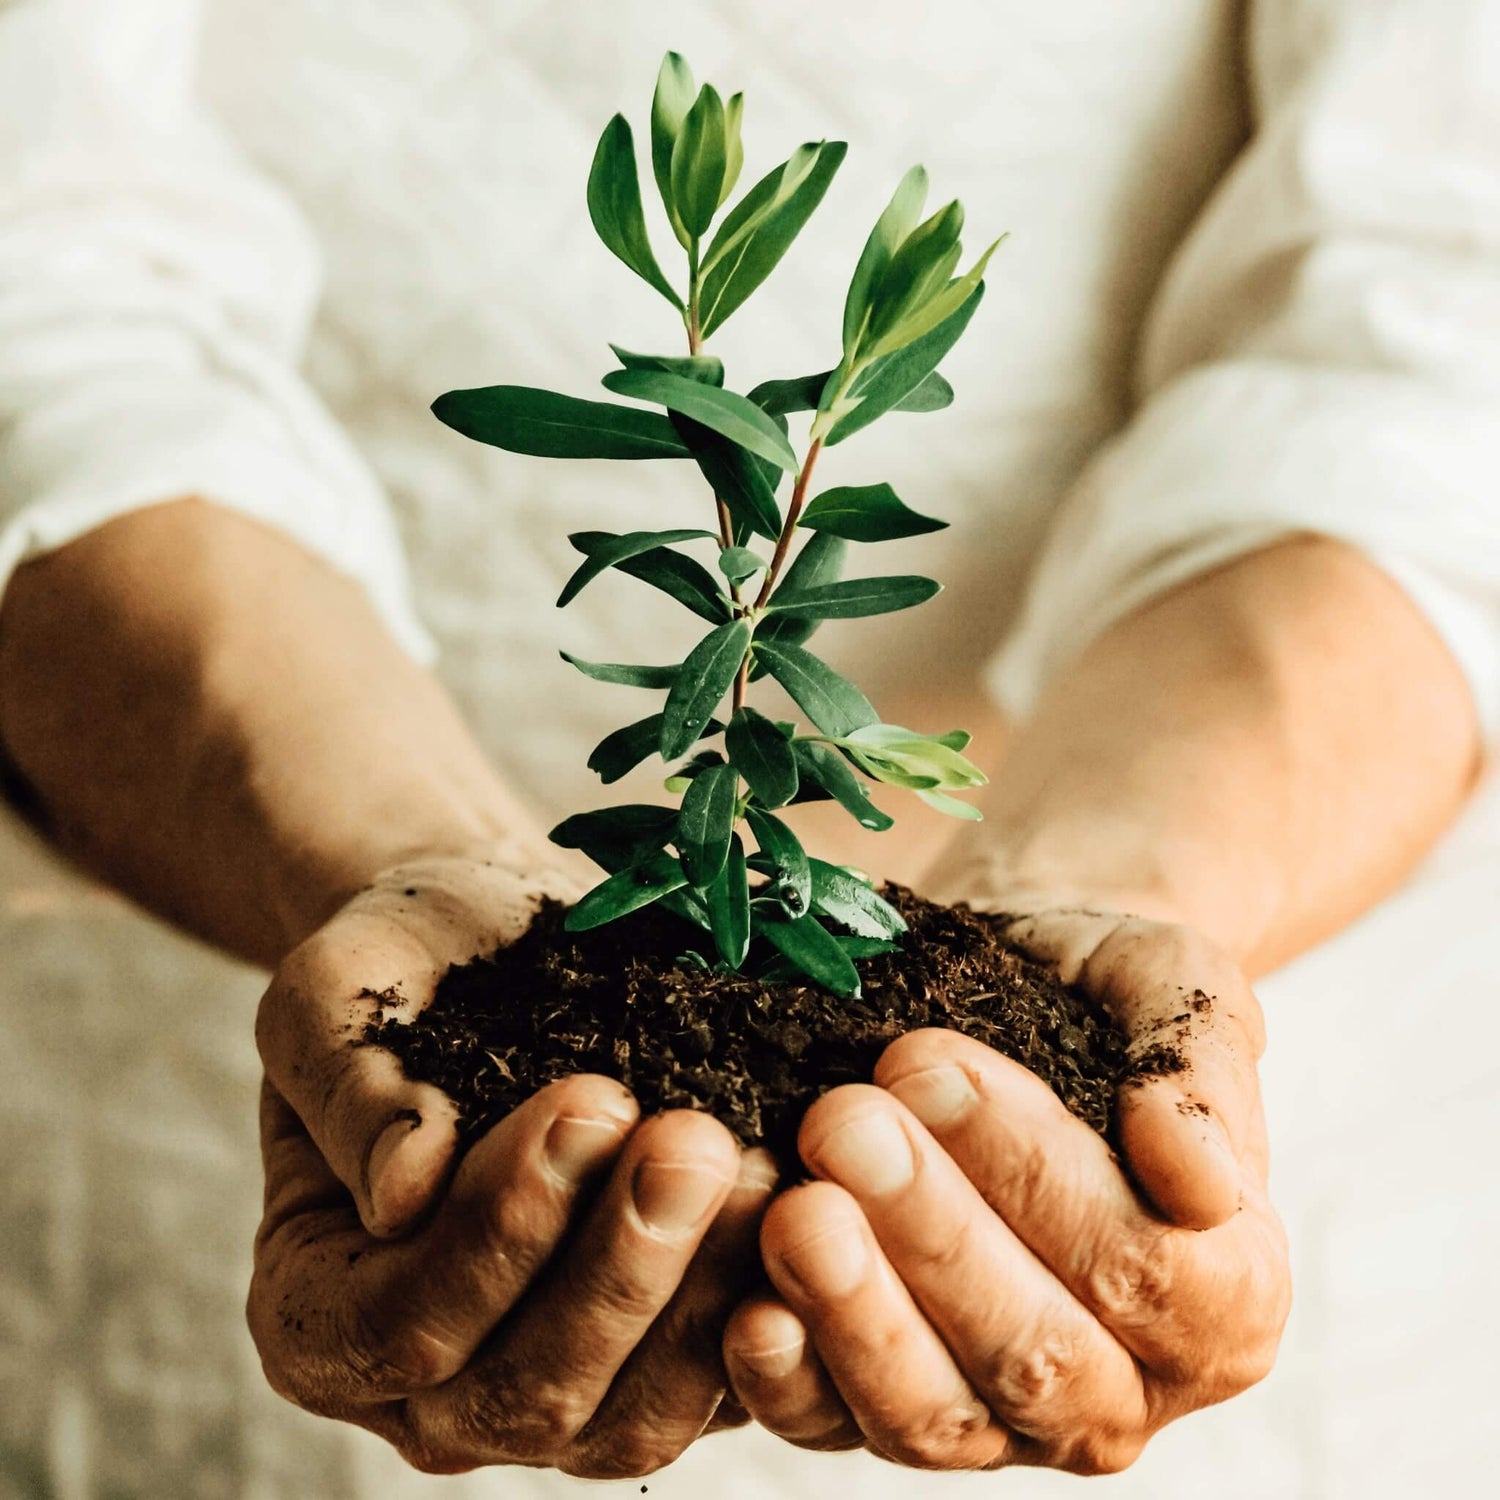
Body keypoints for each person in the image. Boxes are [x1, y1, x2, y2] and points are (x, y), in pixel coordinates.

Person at [0, 0, 1495, 1494]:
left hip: (1285, 956)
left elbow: (1440, 337)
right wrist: (399, 859)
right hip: (178, 1064)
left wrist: (1112, 877)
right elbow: (42, 284)